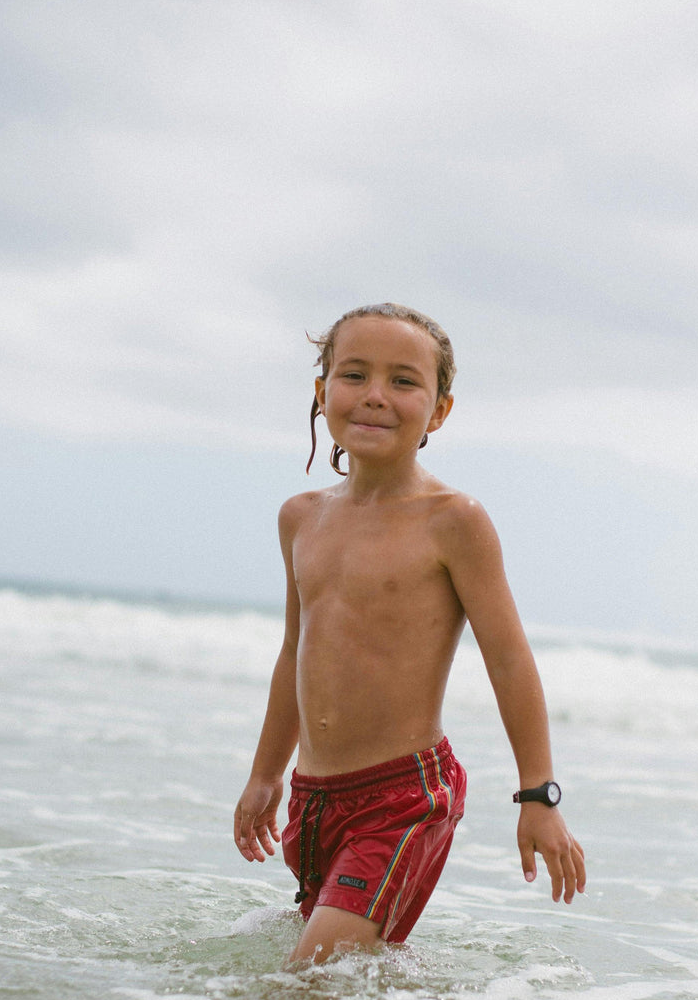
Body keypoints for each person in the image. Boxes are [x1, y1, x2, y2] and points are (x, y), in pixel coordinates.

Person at [233, 302, 586, 965]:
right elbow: (294, 654)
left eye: (403, 381)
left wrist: (539, 794)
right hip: (314, 799)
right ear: (322, 391)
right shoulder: (300, 518)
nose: (375, 397)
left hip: (403, 798)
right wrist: (265, 774)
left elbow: (509, 660)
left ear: (440, 410)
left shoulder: (453, 521)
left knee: (307, 979)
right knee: (338, 988)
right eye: (354, 375)